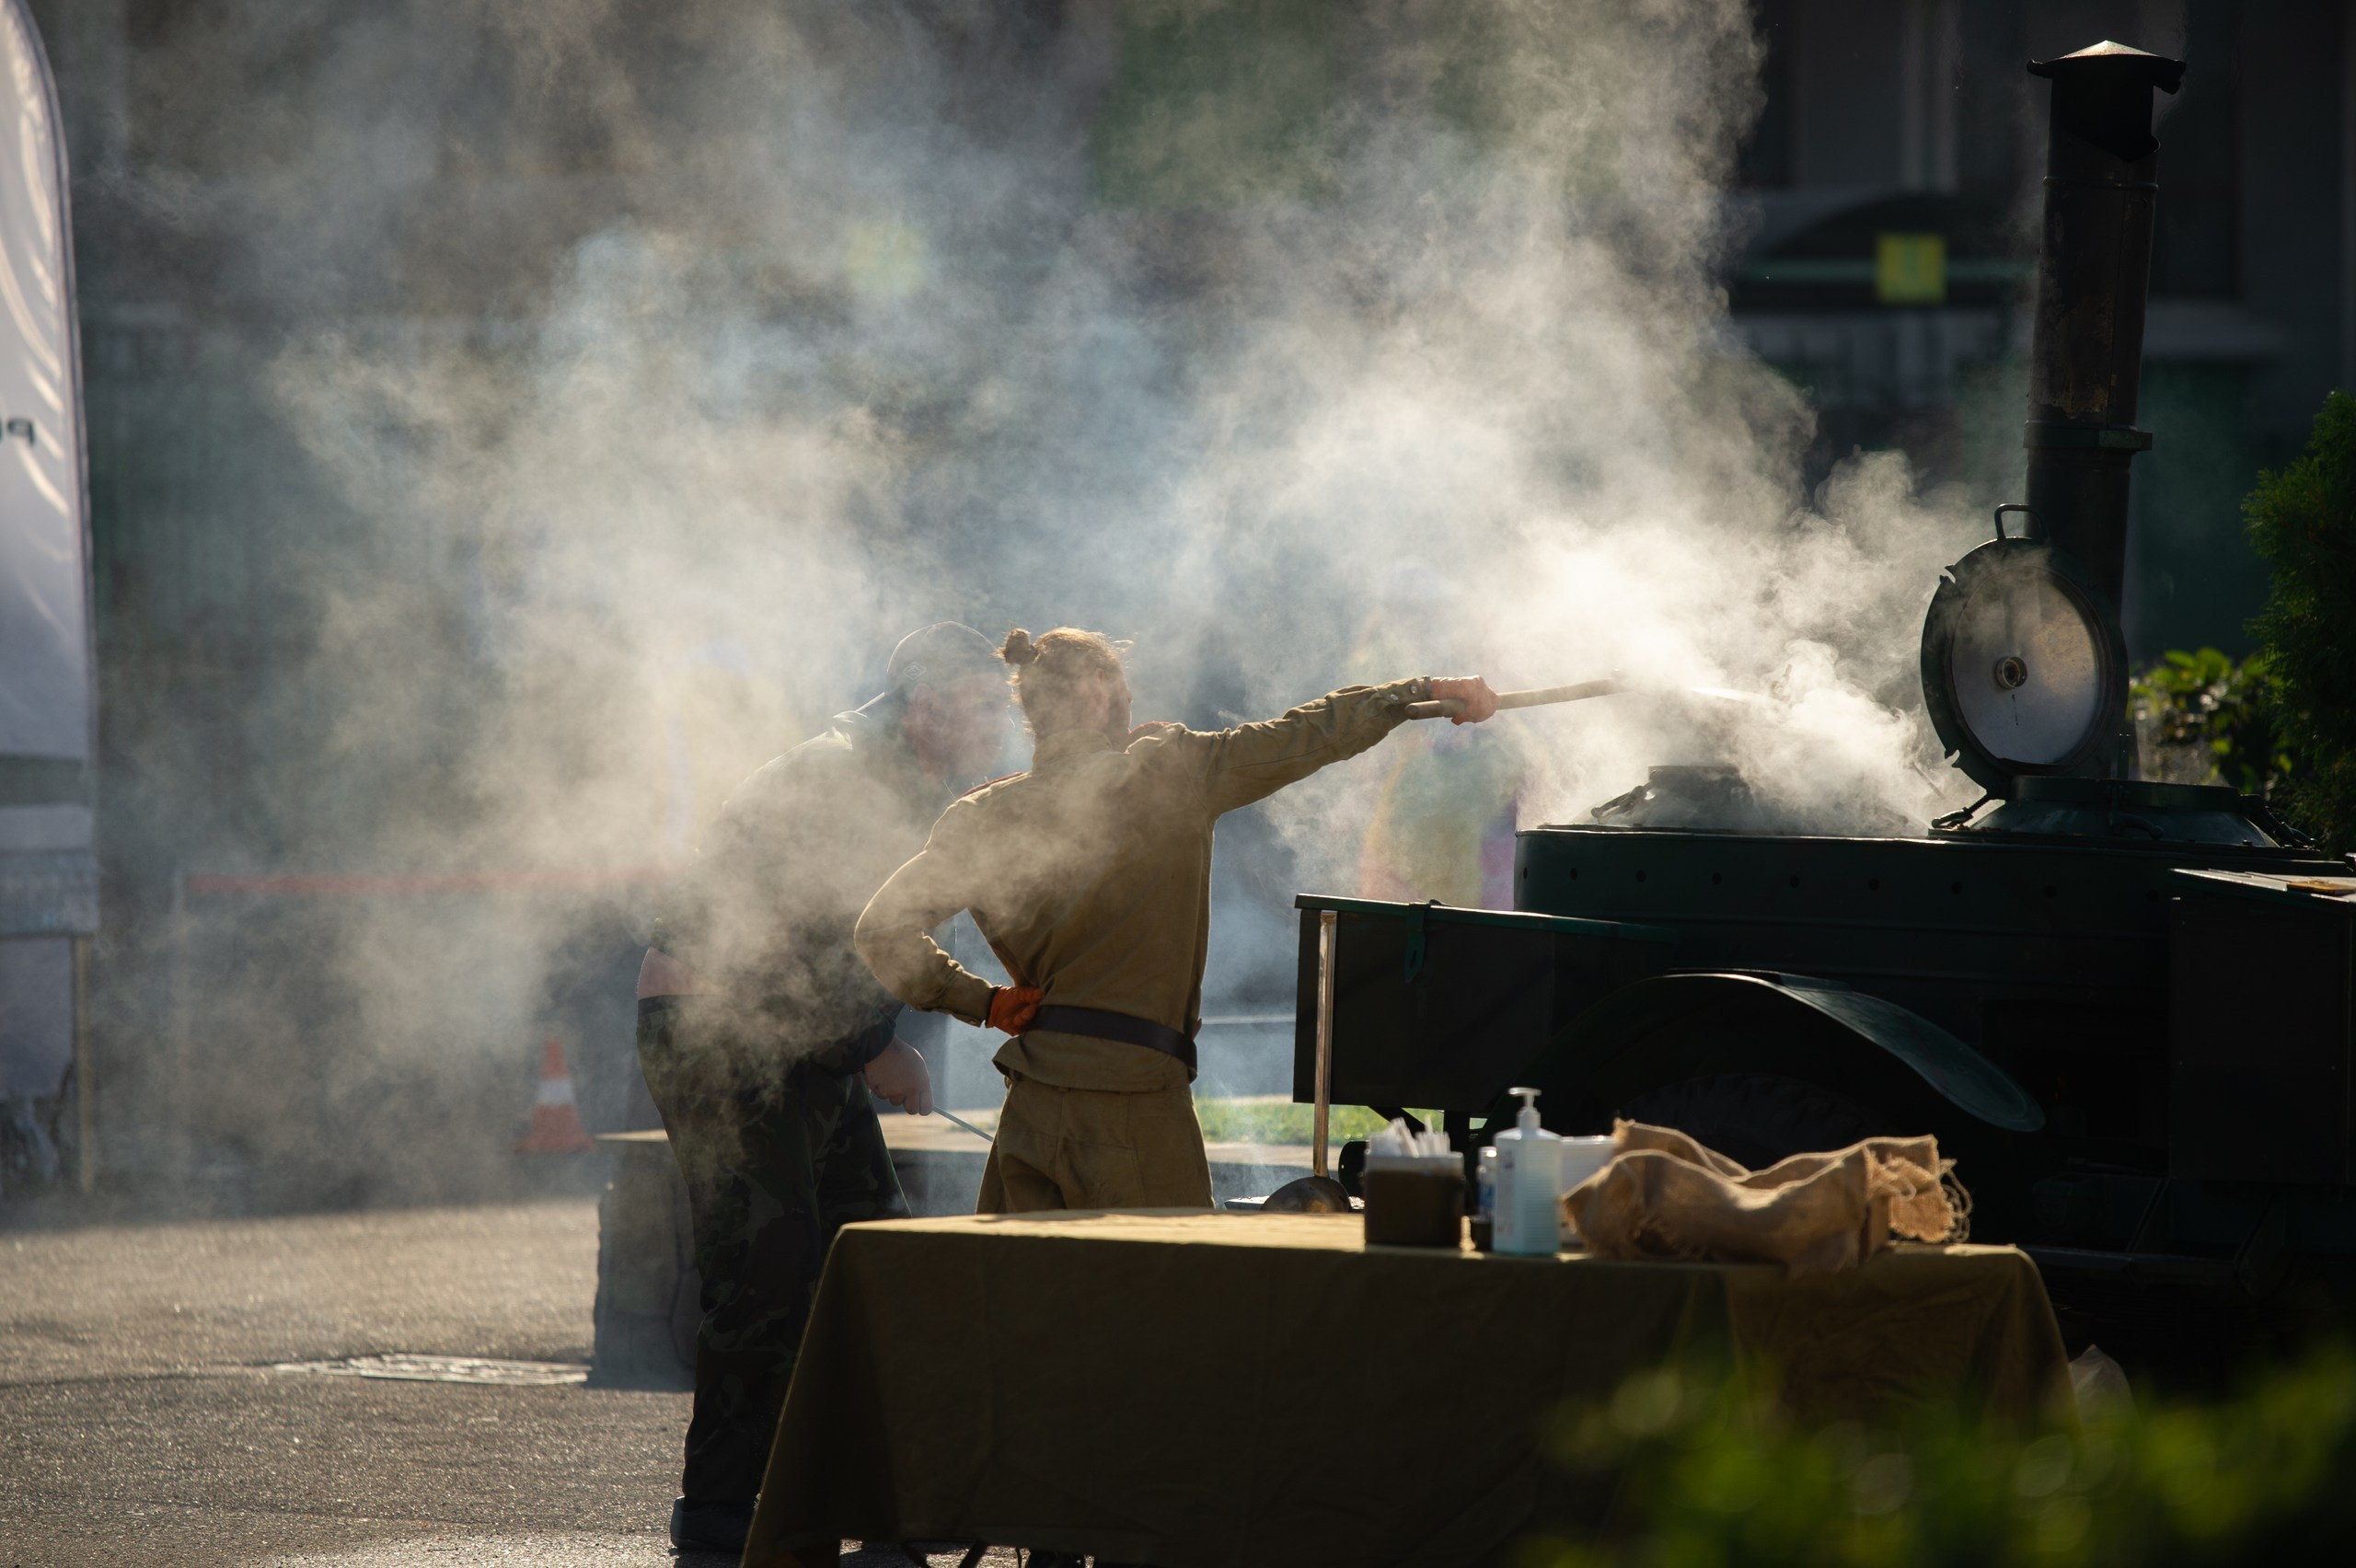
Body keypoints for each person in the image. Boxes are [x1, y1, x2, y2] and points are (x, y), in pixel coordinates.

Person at [853, 626, 1496, 1213]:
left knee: (1019, 1318)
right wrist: (1424, 693)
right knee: (1172, 1316)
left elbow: (880, 930)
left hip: (1030, 1113)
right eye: (1124, 690)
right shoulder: (1171, 771)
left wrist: (985, 1002)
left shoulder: (980, 816)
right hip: (1134, 1107)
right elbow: (1311, 733)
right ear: (1100, 688)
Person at [636, 621, 1010, 1555]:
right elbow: (786, 944)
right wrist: (878, 1048)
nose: (996, 728)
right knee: (768, 1268)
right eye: (980, 708)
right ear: (926, 708)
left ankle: (874, 1500)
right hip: (714, 1029)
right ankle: (721, 1514)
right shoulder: (844, 777)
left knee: (869, 1251)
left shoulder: (915, 779)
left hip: (801, 1040)